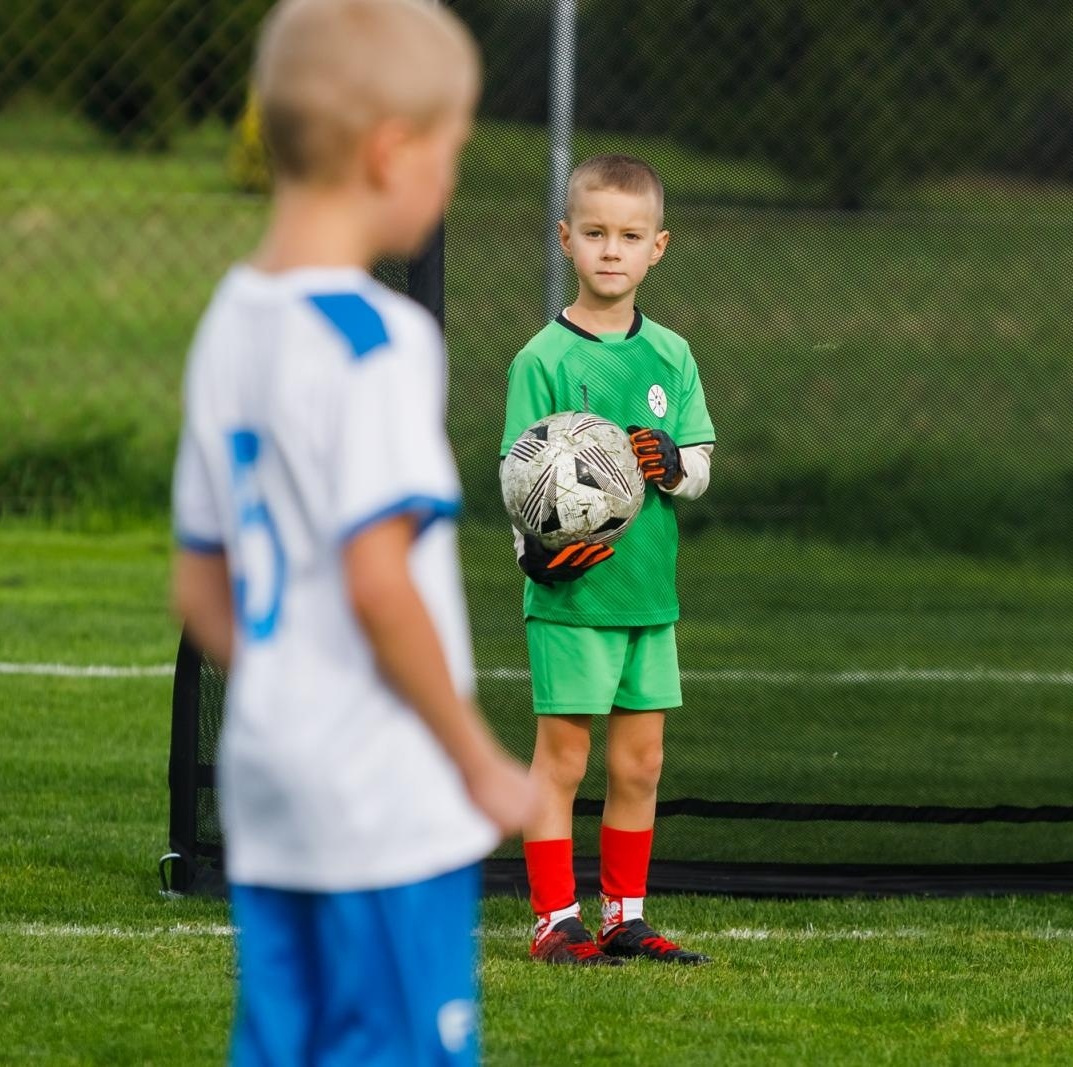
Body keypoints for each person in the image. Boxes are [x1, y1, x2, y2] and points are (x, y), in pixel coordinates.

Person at [170, 1, 531, 1061]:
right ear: (391, 151)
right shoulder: (378, 338)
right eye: (454, 152)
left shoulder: (231, 317)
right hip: (384, 797)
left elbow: (199, 592)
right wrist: (473, 759)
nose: (452, 180)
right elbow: (380, 582)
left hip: (270, 785)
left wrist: (291, 686)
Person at [501, 154, 715, 966]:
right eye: (595, 234)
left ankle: (624, 913)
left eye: (629, 236)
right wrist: (536, 559)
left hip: (648, 596)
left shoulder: (672, 355)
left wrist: (673, 459)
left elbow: (699, 466)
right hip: (573, 597)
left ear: (658, 247)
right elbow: (518, 479)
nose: (611, 250)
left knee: (642, 760)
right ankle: (554, 920)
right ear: (566, 240)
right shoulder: (541, 361)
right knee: (564, 757)